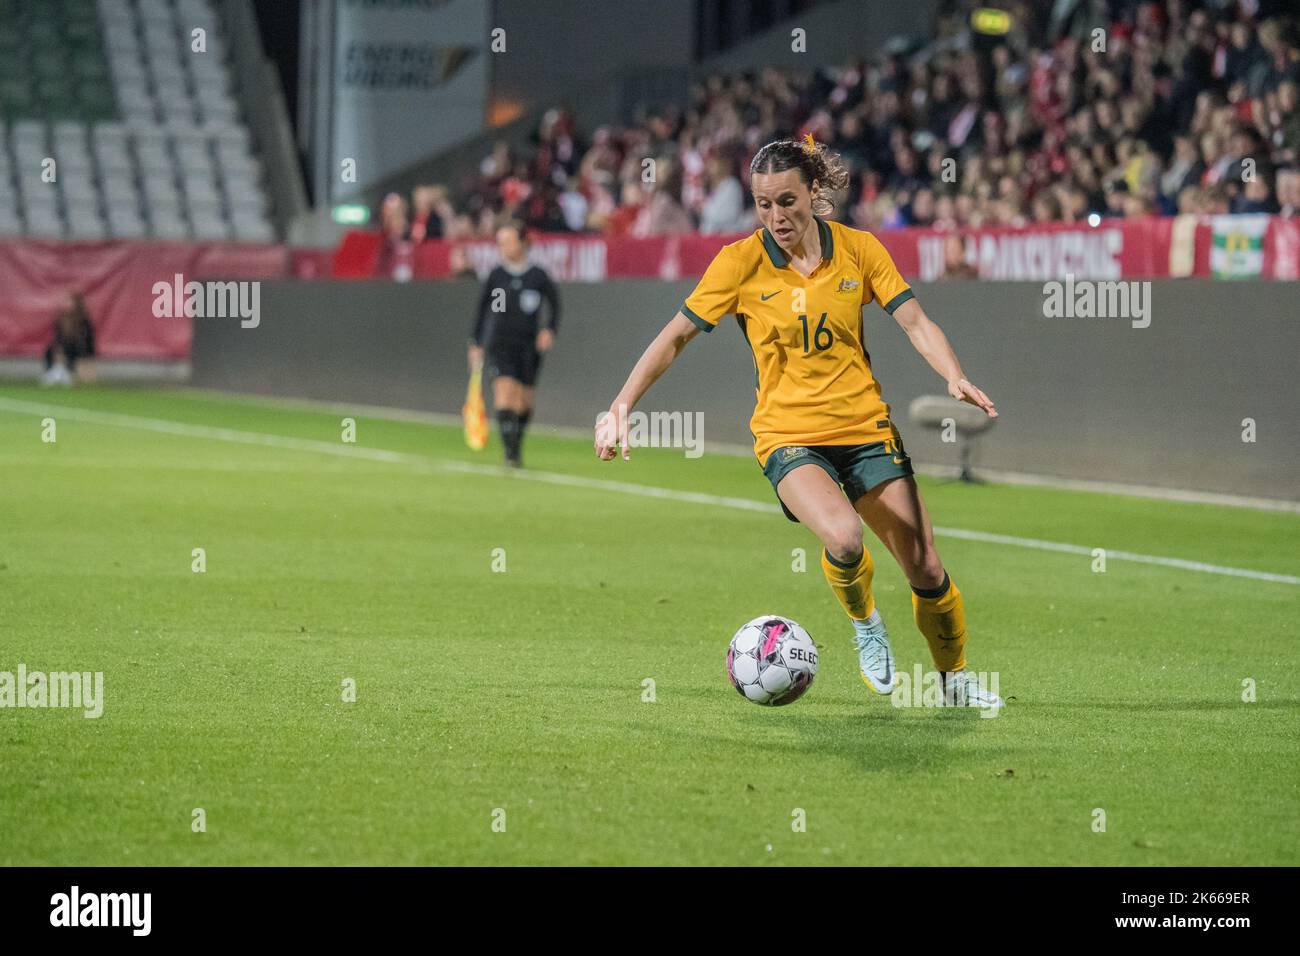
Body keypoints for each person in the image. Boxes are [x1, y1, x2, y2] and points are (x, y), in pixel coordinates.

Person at [594, 136, 1002, 709]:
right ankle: (866, 625)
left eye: (787, 201)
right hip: (787, 435)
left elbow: (915, 322)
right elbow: (676, 335)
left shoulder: (859, 251)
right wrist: (622, 404)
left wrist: (953, 374)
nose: (776, 216)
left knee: (926, 565)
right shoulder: (739, 263)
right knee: (842, 534)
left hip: (865, 430)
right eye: (763, 204)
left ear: (814, 191)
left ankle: (954, 682)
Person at [469, 222, 559, 468]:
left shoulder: (537, 276)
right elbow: (482, 310)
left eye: (507, 241)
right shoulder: (496, 275)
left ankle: (516, 444)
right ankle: (510, 453)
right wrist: (476, 342)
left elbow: (555, 304)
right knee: (505, 393)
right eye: (500, 242)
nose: (503, 247)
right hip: (501, 344)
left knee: (525, 401)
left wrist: (549, 330)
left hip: (529, 347)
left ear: (522, 242)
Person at [42, 292, 96, 386]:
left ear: (76, 304)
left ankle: (68, 373)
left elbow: (85, 340)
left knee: (69, 350)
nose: (66, 304)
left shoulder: (83, 320)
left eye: (69, 301)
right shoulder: (61, 319)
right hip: (63, 348)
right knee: (50, 350)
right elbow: (58, 337)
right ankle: (55, 371)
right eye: (65, 301)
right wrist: (58, 349)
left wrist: (85, 358)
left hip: (79, 349)